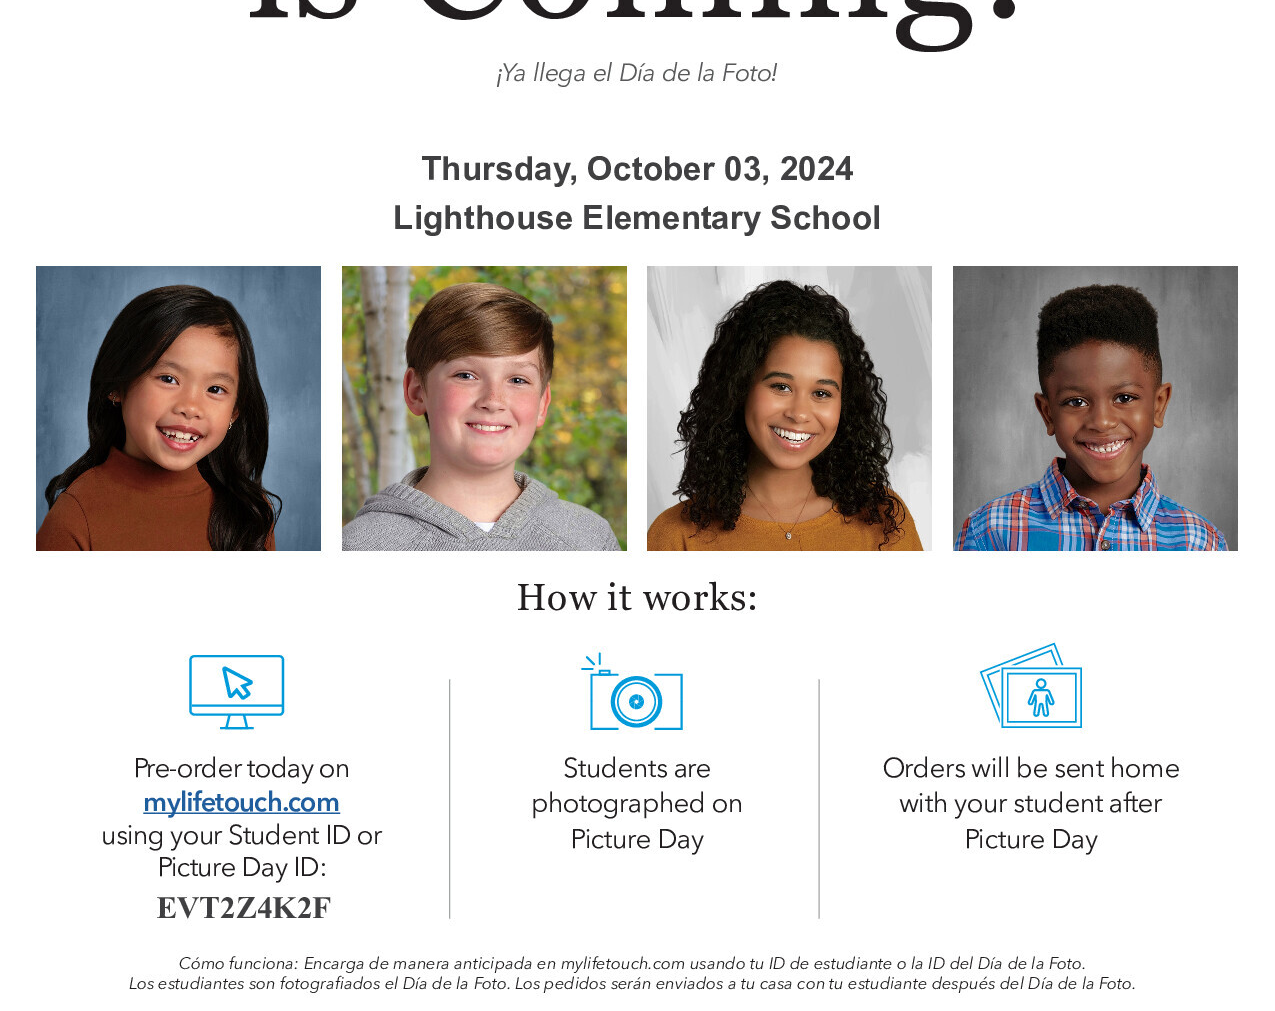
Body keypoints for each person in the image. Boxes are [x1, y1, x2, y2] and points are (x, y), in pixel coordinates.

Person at [647, 280, 922, 551]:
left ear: (844, 404)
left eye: (822, 393)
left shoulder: (883, 521)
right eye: (781, 386)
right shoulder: (675, 537)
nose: (799, 413)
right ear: (739, 388)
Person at [342, 282, 620, 551]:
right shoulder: (359, 547)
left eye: (518, 380)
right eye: (466, 375)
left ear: (542, 405)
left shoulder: (589, 540)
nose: (493, 401)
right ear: (416, 392)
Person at [956, 283, 1227, 550]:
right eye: (1077, 402)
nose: (1102, 422)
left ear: (1158, 405)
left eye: (1124, 398)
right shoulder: (991, 533)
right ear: (1047, 413)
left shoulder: (1199, 542)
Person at [38, 286, 278, 551]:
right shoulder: (74, 518)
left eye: (215, 389)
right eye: (168, 379)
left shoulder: (250, 513)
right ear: (117, 386)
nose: (190, 407)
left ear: (235, 410)